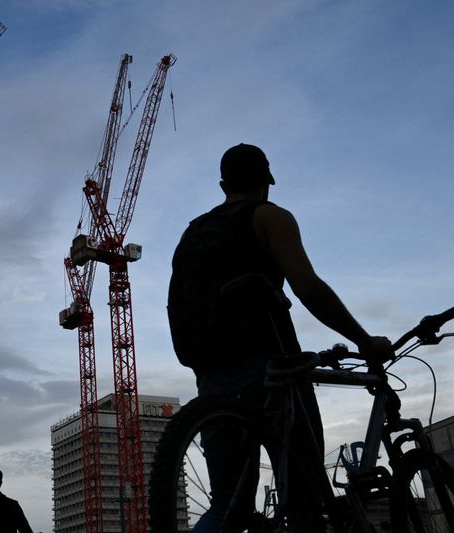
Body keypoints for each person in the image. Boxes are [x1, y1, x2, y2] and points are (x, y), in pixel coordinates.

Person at [167, 143, 393, 532]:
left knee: (225, 507)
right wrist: (363, 338)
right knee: (304, 500)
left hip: (211, 378)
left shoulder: (193, 233)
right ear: (266, 181)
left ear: (223, 184)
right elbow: (308, 288)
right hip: (273, 365)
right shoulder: (270, 217)